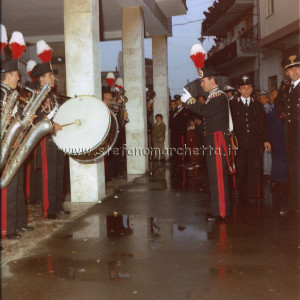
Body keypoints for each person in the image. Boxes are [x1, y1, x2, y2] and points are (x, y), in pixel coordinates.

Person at [181, 68, 232, 222]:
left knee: (218, 177)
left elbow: (205, 110)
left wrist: (190, 101)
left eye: (203, 81)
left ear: (212, 80)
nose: (201, 84)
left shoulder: (218, 96)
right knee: (214, 176)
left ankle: (221, 211)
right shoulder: (213, 96)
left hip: (217, 139)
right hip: (213, 139)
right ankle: (218, 209)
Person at [30, 40, 69, 219]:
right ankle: (48, 208)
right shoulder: (36, 96)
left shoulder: (52, 96)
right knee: (48, 174)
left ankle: (57, 204)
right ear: (42, 79)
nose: (54, 78)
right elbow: (36, 118)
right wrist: (51, 125)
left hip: (57, 138)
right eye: (51, 76)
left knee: (58, 172)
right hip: (45, 139)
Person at [1, 29, 34, 239]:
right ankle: (7, 227)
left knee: (18, 184)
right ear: (6, 75)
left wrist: (25, 121)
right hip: (5, 145)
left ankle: (18, 223)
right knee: (8, 186)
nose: (18, 77)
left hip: (15, 143)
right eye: (15, 74)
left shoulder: (11, 93)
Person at [230, 75, 271, 203]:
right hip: (239, 143)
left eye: (249, 87)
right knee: (240, 168)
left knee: (255, 168)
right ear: (239, 90)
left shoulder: (258, 105)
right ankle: (239, 191)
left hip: (254, 142)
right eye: (243, 88)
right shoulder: (232, 105)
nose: (246, 90)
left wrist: (266, 140)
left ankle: (254, 195)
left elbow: (262, 124)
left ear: (252, 89)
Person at [274, 53, 300, 215]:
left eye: (297, 68)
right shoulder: (286, 87)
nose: (294, 72)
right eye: (290, 70)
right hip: (291, 135)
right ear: (286, 73)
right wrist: (282, 113)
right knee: (293, 170)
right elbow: (278, 103)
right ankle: (294, 204)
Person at [258, 90, 272, 181]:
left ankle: (268, 172)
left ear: (267, 98)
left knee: (268, 153)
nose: (262, 100)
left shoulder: (270, 108)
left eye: (264, 98)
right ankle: (265, 171)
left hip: (269, 133)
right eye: (260, 98)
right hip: (262, 134)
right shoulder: (259, 108)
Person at [173, 94, 188, 161]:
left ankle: (183, 158)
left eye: (178, 100)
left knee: (182, 145)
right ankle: (177, 157)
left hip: (181, 131)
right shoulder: (175, 110)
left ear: (181, 101)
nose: (177, 102)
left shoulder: (184, 110)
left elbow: (185, 121)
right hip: (175, 131)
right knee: (176, 145)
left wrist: (182, 129)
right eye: (176, 100)